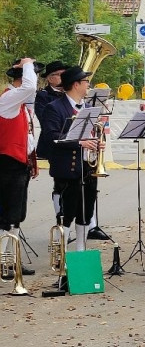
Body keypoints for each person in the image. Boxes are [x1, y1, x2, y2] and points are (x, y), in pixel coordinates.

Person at [38, 65, 103, 252]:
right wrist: (80, 143)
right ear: (76, 85)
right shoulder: (54, 108)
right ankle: (62, 255)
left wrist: (97, 143)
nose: (88, 86)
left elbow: (92, 134)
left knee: (85, 212)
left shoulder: (89, 107)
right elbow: (51, 137)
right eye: (86, 82)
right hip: (68, 169)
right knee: (67, 214)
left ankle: (81, 250)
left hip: (88, 169)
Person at [1, 58, 41, 278]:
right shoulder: (8, 99)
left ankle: (10, 260)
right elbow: (30, 87)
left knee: (15, 215)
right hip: (7, 163)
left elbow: (26, 136)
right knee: (7, 216)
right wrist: (27, 63)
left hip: (18, 163)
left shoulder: (20, 105)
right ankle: (4, 262)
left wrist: (31, 161)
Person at [34, 60, 68, 224]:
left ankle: (90, 224)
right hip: (54, 143)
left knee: (84, 182)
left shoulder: (71, 93)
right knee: (60, 183)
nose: (62, 78)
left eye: (64, 74)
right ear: (49, 78)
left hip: (75, 143)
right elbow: (44, 119)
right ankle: (61, 220)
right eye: (59, 75)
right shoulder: (43, 96)